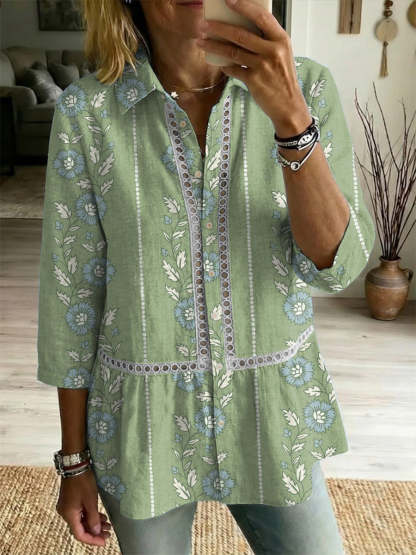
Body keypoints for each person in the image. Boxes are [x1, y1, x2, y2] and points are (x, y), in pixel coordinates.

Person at [36, 0, 375, 553]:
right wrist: (74, 461)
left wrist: (291, 119)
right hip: (143, 427)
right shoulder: (87, 113)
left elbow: (335, 265)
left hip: (274, 415)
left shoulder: (306, 87)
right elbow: (71, 300)